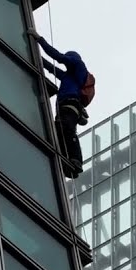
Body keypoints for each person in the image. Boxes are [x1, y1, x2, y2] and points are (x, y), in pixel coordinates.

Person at [29, 31, 94, 179]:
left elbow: (58, 57)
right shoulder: (67, 76)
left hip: (71, 105)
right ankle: (67, 159)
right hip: (65, 106)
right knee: (59, 129)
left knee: (67, 129)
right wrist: (31, 53)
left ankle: (76, 159)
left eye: (69, 59)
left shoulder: (79, 66)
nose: (67, 61)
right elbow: (48, 67)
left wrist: (39, 40)